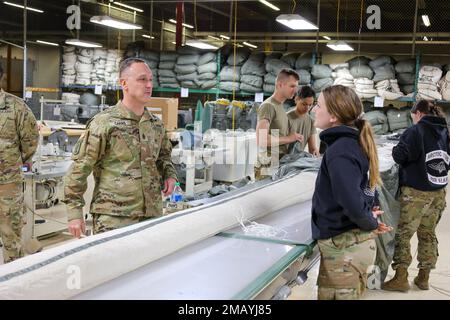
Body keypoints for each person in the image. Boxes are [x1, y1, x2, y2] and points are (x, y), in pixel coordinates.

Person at [64, 57, 178, 238]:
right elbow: (79, 169)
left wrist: (170, 175)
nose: (149, 85)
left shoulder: (156, 125)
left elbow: (164, 156)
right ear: (124, 83)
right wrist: (74, 214)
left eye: (150, 80)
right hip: (114, 218)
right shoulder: (104, 123)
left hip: (151, 215)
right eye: (142, 79)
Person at [311, 85, 392, 300]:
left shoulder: (340, 151)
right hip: (349, 243)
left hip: (344, 249)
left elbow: (352, 203)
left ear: (333, 117)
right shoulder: (351, 143)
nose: (313, 109)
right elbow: (365, 191)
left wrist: (370, 223)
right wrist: (370, 216)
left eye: (318, 106)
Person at [382, 100, 449, 292]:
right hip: (438, 192)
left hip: (415, 193)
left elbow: (399, 156)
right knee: (427, 234)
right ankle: (423, 278)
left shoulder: (415, 131)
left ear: (418, 113)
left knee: (403, 234)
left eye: (413, 117)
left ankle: (401, 278)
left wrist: (396, 149)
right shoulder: (445, 132)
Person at [0, 61, 39, 262]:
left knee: (10, 236)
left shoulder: (16, 107)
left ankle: (14, 285)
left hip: (7, 185)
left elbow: (30, 141)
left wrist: (12, 163)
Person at [255, 69, 303, 179]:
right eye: (292, 86)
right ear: (280, 85)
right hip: (267, 166)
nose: (295, 90)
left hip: (278, 163)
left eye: (296, 87)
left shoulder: (279, 106)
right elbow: (261, 140)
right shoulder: (268, 106)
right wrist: (290, 138)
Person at [287, 86, 319, 156]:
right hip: (283, 160)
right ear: (296, 99)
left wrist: (315, 152)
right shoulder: (286, 118)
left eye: (310, 105)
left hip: (298, 159)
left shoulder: (311, 121)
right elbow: (275, 145)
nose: (307, 108)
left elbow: (312, 148)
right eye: (304, 104)